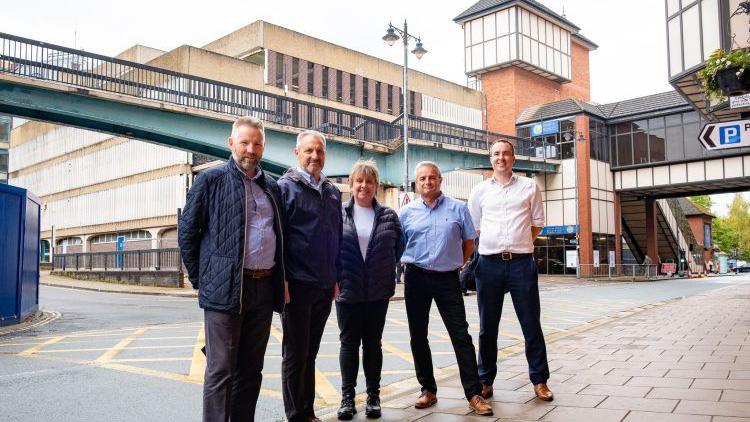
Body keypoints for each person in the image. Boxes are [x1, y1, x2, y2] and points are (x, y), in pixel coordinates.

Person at [178, 116, 286, 422]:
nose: (250, 149)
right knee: (221, 369)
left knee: (251, 370)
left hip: (263, 288)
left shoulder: (272, 188)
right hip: (224, 289)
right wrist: (203, 279)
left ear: (263, 146)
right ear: (231, 144)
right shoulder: (210, 181)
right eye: (244, 142)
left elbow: (280, 236)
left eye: (257, 143)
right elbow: (187, 231)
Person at [398, 161, 494, 417]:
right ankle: (428, 390)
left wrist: (457, 264)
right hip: (416, 278)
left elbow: (469, 243)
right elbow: (400, 247)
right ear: (416, 184)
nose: (427, 182)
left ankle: (474, 393)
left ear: (440, 180)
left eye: (432, 178)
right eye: (422, 179)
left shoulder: (458, 208)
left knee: (460, 335)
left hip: (447, 279)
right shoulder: (406, 213)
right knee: (418, 335)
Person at [467, 139, 553, 402]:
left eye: (505, 154)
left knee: (530, 324)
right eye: (496, 154)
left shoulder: (529, 186)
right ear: (490, 159)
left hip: (521, 264)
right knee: (487, 327)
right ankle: (485, 380)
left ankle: (539, 381)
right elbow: (474, 228)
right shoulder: (480, 191)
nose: (501, 158)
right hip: (489, 264)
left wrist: (520, 241)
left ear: (514, 159)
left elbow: (537, 223)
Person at [278, 129, 343, 422]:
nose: (314, 156)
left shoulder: (331, 192)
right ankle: (296, 416)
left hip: (324, 283)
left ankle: (309, 412)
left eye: (319, 151)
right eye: (308, 151)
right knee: (295, 355)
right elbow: (278, 237)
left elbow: (337, 237)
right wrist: (282, 279)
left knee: (310, 353)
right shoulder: (284, 188)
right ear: (297, 153)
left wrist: (336, 276)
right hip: (296, 285)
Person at [335, 160, 404, 420]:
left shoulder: (388, 215)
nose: (364, 185)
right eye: (359, 181)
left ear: (376, 185)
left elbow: (399, 248)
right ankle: (347, 399)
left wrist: (384, 274)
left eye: (369, 181)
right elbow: (330, 248)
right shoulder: (338, 213)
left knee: (373, 344)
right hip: (347, 289)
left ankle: (373, 397)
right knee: (348, 344)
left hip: (377, 291)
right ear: (351, 184)